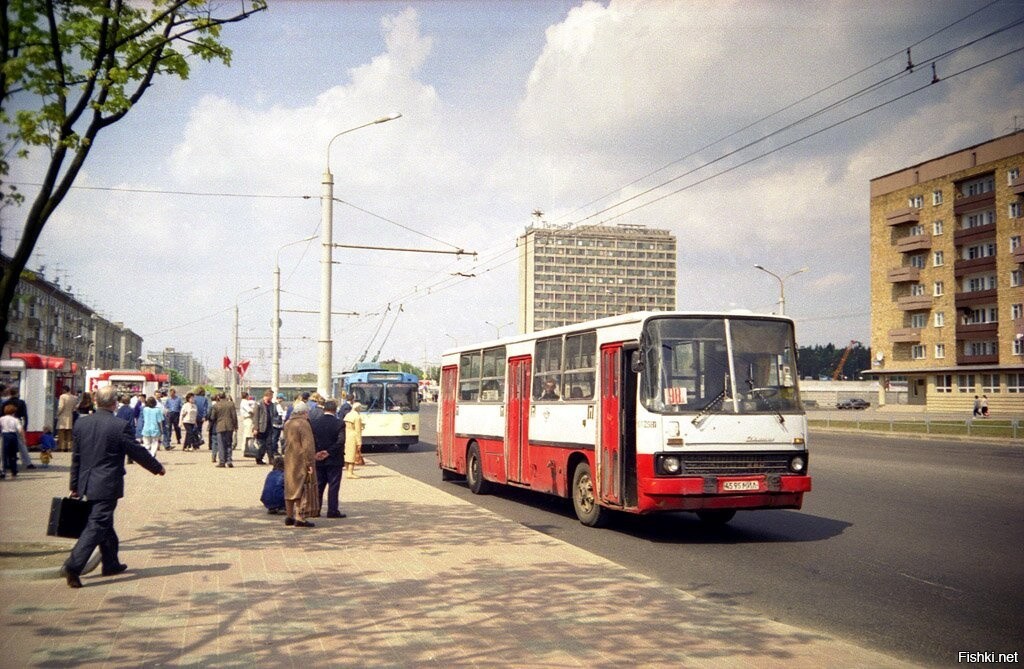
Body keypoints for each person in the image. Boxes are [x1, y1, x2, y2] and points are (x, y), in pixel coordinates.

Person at [59, 386, 166, 588]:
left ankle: (110, 563)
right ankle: (73, 566)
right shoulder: (119, 426)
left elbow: (77, 458)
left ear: (96, 401)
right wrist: (156, 467)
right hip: (106, 484)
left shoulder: (82, 424)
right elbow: (135, 450)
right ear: (114, 403)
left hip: (86, 482)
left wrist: (74, 485)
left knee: (104, 522)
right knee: (98, 523)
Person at [282, 402, 317, 527]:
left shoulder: (288, 423)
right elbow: (308, 445)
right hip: (301, 459)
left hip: (289, 458)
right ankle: (300, 517)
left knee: (290, 486)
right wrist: (310, 463)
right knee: (302, 487)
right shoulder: (303, 424)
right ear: (304, 413)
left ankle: (289, 516)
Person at [311, 399, 346, 518]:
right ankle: (332, 510)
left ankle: (316, 509)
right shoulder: (339, 423)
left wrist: (317, 452)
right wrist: (328, 452)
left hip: (319, 459)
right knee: (333, 486)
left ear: (324, 409)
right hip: (334, 459)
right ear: (335, 409)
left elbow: (312, 440)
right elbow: (341, 441)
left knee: (319, 485)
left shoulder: (315, 422)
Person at [3, 388, 35, 469]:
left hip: (6, 423)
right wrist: (25, 426)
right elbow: (25, 415)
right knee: (22, 444)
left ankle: (6, 462)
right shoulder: (21, 402)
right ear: (17, 393)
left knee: (5, 445)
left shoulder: (5, 403)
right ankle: (28, 463)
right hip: (18, 422)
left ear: (9, 393)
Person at [210, 392, 238, 468]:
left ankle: (222, 461)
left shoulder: (216, 405)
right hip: (229, 426)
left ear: (218, 397)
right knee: (229, 443)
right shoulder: (231, 404)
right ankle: (229, 460)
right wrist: (236, 426)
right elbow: (234, 416)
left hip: (220, 426)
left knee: (221, 444)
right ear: (225, 396)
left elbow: (212, 417)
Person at [252, 390, 277, 465]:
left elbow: (274, 414)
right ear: (267, 396)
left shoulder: (272, 405)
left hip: (269, 427)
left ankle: (271, 459)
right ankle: (259, 458)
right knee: (261, 445)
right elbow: (255, 417)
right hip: (261, 427)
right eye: (271, 396)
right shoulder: (259, 404)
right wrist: (255, 428)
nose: (272, 398)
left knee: (269, 444)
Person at [1, 403, 23, 479]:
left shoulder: (1, 419)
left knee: (4, 454)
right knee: (13, 454)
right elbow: (20, 429)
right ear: (14, 412)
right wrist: (23, 438)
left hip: (5, 436)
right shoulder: (15, 420)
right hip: (13, 436)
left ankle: (3, 470)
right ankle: (14, 470)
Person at [343, 399, 364, 479]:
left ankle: (347, 470)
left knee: (347, 454)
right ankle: (350, 472)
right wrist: (359, 442)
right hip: (353, 436)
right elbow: (358, 430)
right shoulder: (357, 417)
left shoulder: (348, 415)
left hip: (346, 435)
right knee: (353, 455)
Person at [57, 388, 77, 452]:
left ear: (64, 390)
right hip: (70, 415)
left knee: (61, 432)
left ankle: (62, 447)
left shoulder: (62, 396)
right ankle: (69, 447)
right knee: (69, 432)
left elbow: (61, 406)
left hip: (63, 416)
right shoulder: (74, 398)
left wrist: (58, 413)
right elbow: (74, 408)